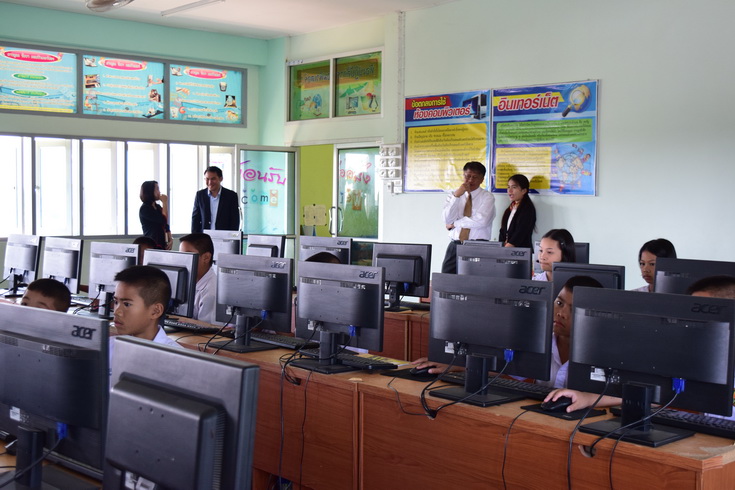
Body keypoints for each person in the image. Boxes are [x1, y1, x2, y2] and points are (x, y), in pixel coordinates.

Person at [544, 275, 735, 413]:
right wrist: (586, 398)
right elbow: (656, 395)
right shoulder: (685, 356)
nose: (692, 324)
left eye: (704, 316)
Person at [537, 275, 603, 388]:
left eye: (573, 310)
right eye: (559, 303)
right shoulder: (539, 343)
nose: (561, 314)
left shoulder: (600, 356)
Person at [441, 161, 496, 273]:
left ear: (482, 179)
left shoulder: (487, 197)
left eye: (475, 177)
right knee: (446, 278)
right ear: (463, 175)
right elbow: (447, 219)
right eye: (467, 176)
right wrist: (456, 196)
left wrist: (455, 224)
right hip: (455, 244)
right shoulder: (453, 195)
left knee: (473, 280)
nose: (470, 180)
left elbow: (482, 220)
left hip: (478, 246)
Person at [111, 265, 181, 348]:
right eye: (116, 302)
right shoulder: (108, 346)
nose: (116, 312)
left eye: (127, 304)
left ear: (155, 311)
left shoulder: (174, 355)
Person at [178, 233, 217, 324]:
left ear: (206, 258)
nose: (182, 260)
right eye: (180, 255)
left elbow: (207, 328)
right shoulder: (185, 280)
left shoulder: (211, 292)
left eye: (187, 255)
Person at [191, 166, 240, 233]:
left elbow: (235, 220)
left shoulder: (231, 196)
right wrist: (194, 237)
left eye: (213, 179)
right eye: (207, 179)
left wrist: (231, 237)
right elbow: (195, 219)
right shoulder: (200, 195)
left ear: (221, 179)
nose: (210, 182)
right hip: (204, 237)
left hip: (224, 236)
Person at [498, 174, 536, 249]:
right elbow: (503, 230)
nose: (510, 191)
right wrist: (501, 245)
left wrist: (506, 248)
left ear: (524, 191)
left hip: (520, 251)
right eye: (508, 187)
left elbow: (521, 232)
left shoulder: (527, 209)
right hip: (507, 249)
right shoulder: (511, 208)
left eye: (514, 187)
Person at [139, 181, 172, 250]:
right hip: (152, 244)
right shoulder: (145, 209)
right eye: (157, 189)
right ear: (150, 191)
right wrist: (165, 202)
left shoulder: (158, 207)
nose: (159, 192)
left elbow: (165, 224)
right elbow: (163, 219)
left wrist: (170, 238)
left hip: (162, 242)